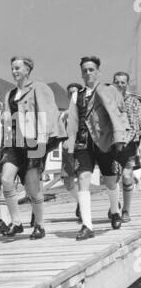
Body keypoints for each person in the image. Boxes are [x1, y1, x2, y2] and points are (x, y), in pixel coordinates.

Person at [0, 56, 67, 239]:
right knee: (6, 179)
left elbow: (47, 113)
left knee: (32, 186)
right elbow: (7, 118)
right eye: (12, 68)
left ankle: (39, 224)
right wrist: (3, 118)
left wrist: (42, 143)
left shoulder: (39, 88)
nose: (14, 71)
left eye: (17, 68)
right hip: (14, 144)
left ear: (28, 70)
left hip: (34, 143)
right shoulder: (9, 95)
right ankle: (16, 222)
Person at [67, 56, 130, 241]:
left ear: (98, 71)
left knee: (110, 181)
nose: (88, 73)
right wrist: (70, 145)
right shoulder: (76, 95)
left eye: (91, 69)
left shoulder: (109, 91)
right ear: (81, 73)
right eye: (85, 70)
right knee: (83, 178)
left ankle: (115, 210)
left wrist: (120, 137)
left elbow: (120, 113)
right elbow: (72, 122)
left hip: (104, 142)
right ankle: (87, 225)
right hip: (83, 144)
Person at [112, 72, 141, 221]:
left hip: (129, 144)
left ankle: (126, 210)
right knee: (111, 178)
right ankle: (114, 206)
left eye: (123, 82)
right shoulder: (109, 100)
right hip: (111, 144)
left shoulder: (134, 101)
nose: (120, 85)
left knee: (126, 176)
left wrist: (123, 141)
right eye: (117, 82)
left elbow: (136, 126)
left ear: (127, 84)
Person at [61, 83, 83, 223]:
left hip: (82, 148)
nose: (72, 95)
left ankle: (84, 209)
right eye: (70, 93)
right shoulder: (64, 114)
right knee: (68, 182)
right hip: (67, 151)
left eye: (75, 92)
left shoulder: (83, 110)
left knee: (82, 179)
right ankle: (80, 201)